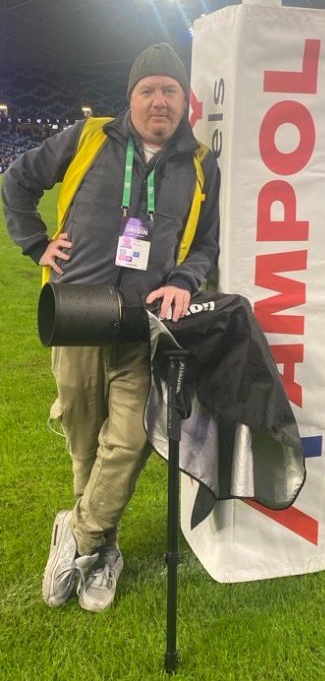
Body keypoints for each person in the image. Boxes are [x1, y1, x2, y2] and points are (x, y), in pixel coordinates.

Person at [2, 42, 220, 612]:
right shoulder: (89, 137)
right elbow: (17, 181)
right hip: (75, 315)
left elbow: (206, 245)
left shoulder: (199, 163)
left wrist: (185, 280)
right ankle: (104, 549)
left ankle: (77, 534)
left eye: (170, 90)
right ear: (131, 98)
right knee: (84, 437)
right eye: (148, 89)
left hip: (141, 327)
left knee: (129, 439)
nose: (159, 101)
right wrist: (35, 244)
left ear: (183, 102)